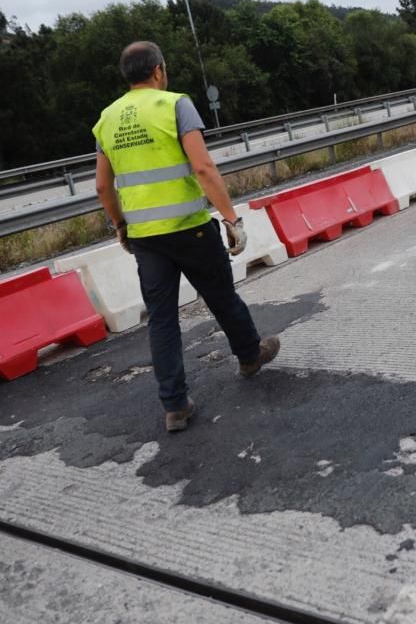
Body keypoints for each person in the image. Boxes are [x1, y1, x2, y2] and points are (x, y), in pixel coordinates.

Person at [93, 41, 280, 433]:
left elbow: (102, 188)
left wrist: (120, 226)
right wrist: (232, 218)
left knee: (161, 321)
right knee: (220, 295)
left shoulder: (106, 119)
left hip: (145, 238)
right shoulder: (174, 104)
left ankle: (175, 406)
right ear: (158, 70)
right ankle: (249, 356)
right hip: (190, 229)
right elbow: (203, 167)